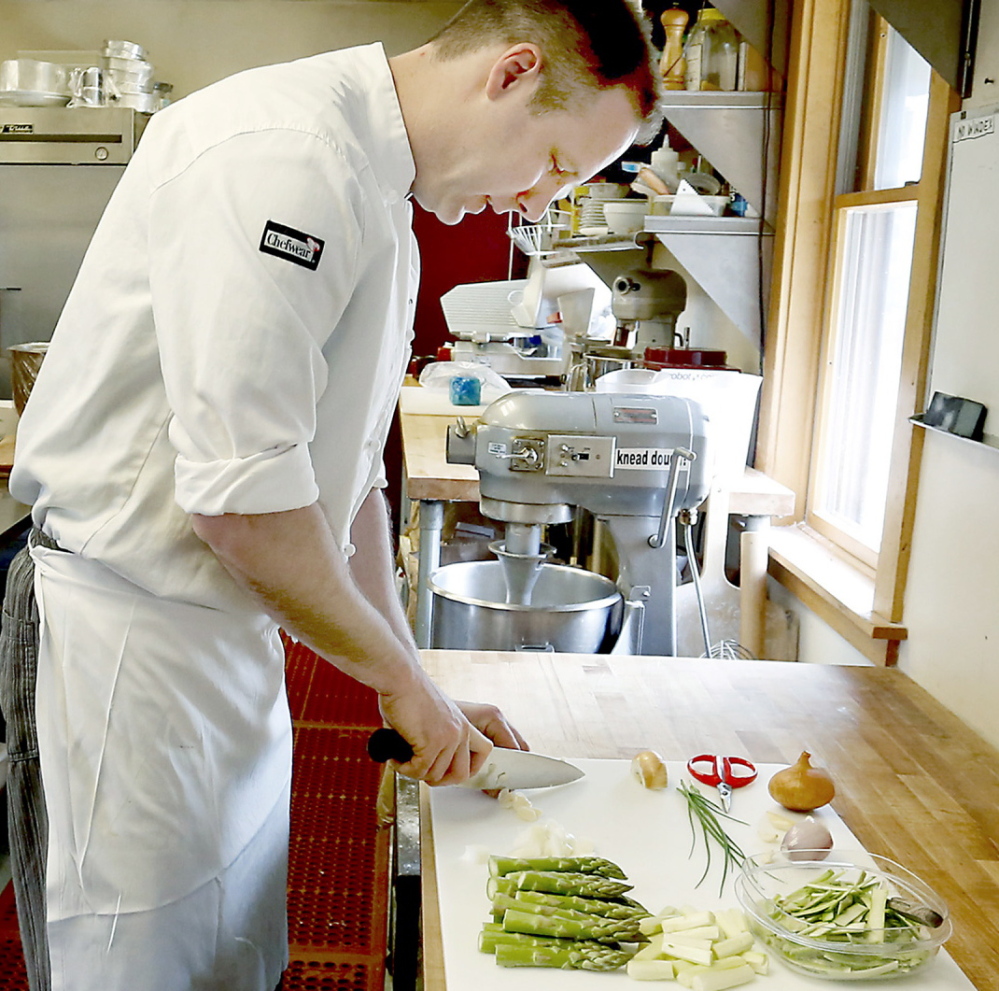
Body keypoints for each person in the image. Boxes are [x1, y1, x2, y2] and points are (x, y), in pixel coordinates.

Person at [2, 1, 663, 988]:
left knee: (230, 949)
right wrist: (402, 682)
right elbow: (243, 507)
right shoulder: (281, 154)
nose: (538, 199)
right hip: (115, 642)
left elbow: (336, 486)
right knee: (127, 958)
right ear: (512, 72)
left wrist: (408, 672)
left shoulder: (383, 197)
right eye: (558, 160)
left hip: (224, 646)